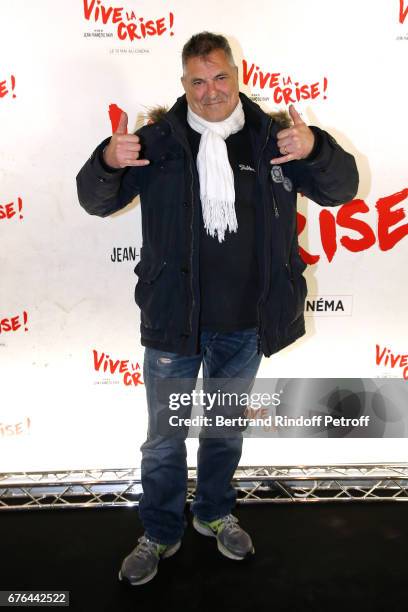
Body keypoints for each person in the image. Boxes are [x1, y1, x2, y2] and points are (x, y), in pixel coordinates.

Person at [76, 31, 358, 586]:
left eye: (220, 77)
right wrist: (108, 160)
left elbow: (341, 189)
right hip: (173, 322)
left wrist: (318, 149)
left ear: (238, 74)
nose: (210, 92)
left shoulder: (275, 138)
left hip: (246, 325)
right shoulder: (156, 140)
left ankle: (212, 512)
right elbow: (95, 198)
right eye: (197, 81)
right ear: (183, 84)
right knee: (164, 436)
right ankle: (158, 530)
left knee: (224, 430)